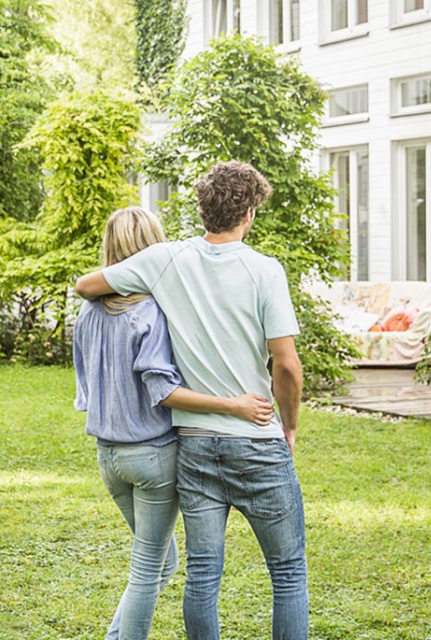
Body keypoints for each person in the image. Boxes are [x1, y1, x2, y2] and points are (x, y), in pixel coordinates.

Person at [74, 161, 308, 640]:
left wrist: (133, 280)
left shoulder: (166, 259)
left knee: (202, 576)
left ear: (202, 210)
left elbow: (87, 286)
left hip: (196, 446)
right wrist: (289, 425)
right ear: (248, 214)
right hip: (257, 439)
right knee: (287, 573)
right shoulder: (265, 269)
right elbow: (285, 364)